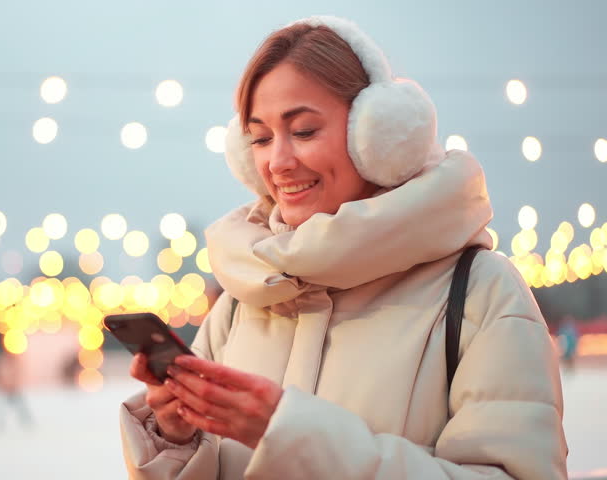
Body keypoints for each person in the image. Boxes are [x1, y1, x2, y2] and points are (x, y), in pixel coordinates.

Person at [119, 16, 567, 479]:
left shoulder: (482, 293)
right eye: (261, 138)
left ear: (376, 136)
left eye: (305, 131)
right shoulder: (242, 300)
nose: (278, 162)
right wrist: (178, 441)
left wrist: (290, 434)